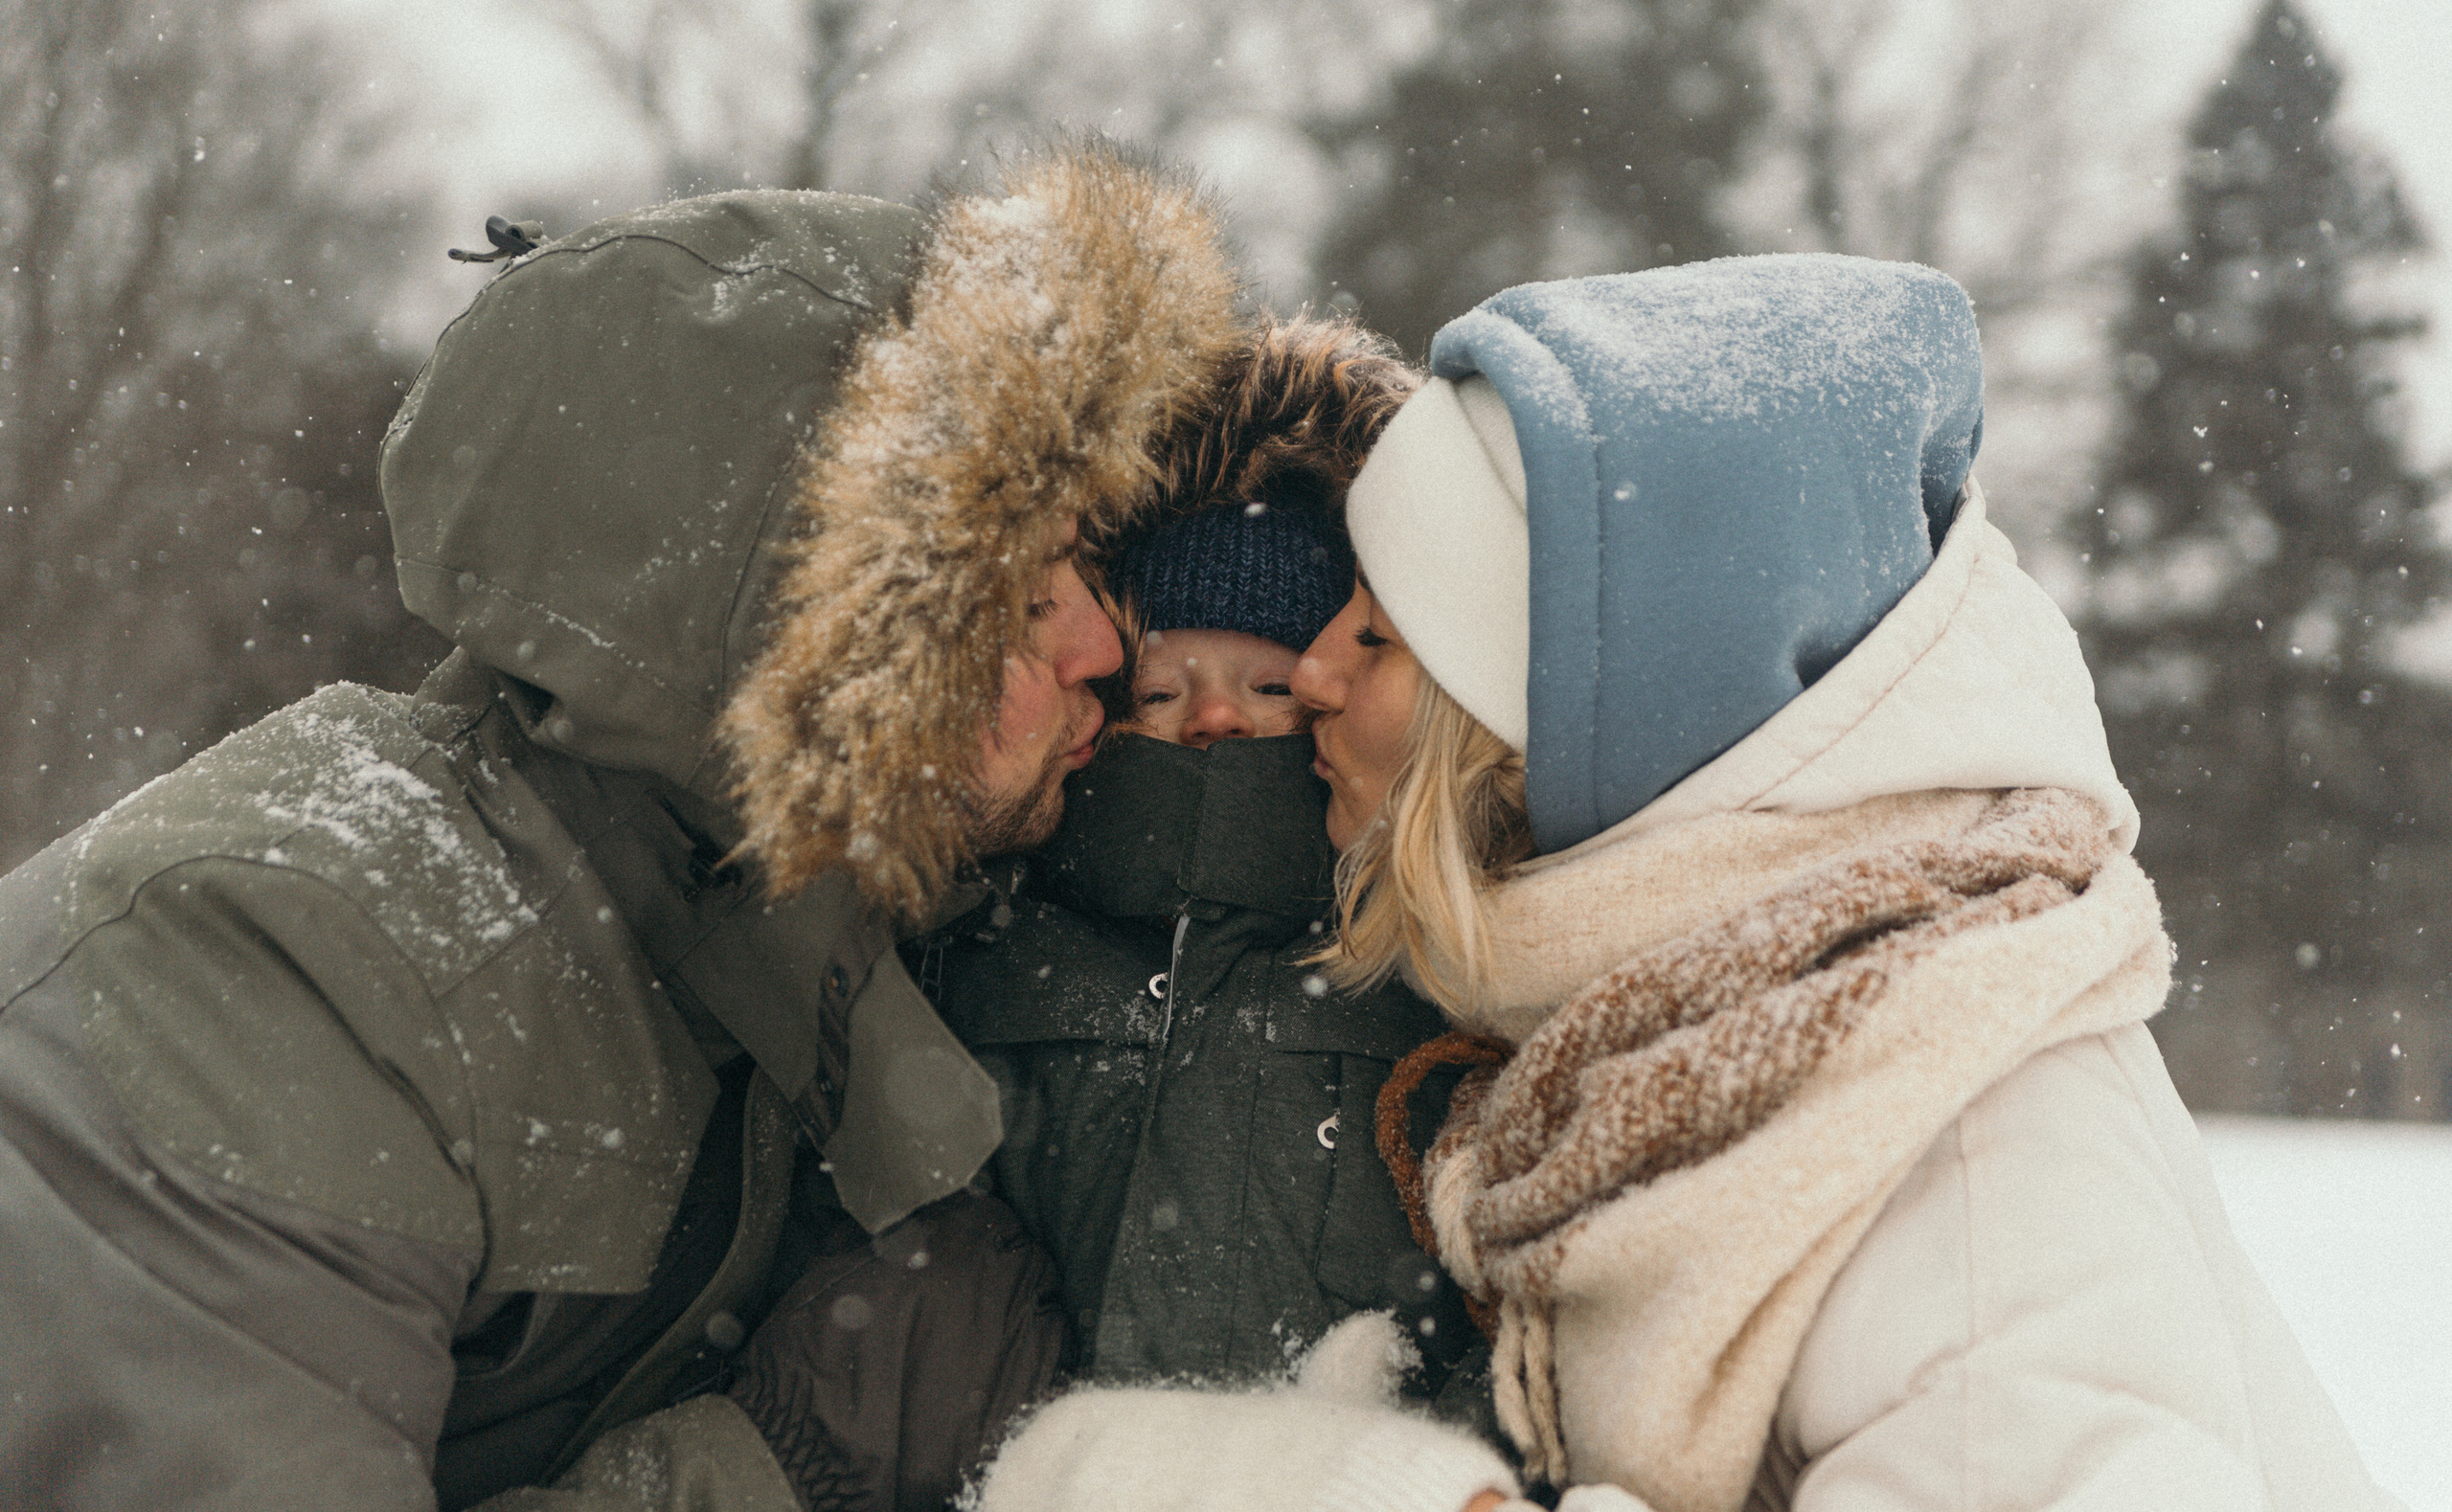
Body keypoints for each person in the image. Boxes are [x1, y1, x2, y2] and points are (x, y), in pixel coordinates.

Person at [977, 255, 2401, 1512]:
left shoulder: (1952, 1129)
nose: (1319, 679)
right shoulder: (1688, 1032)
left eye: (1382, 637)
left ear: (1552, 720)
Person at [0, 138, 1242, 1511]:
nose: (1102, 638)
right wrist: (772, 1467)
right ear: (791, 638)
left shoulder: (806, 934)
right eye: (1008, 593)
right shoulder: (285, 959)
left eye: (1087, 553)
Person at [916, 317, 1490, 1399]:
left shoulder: (1428, 958)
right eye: (1163, 690)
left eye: (1268, 688)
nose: (1215, 719)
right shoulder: (994, 932)